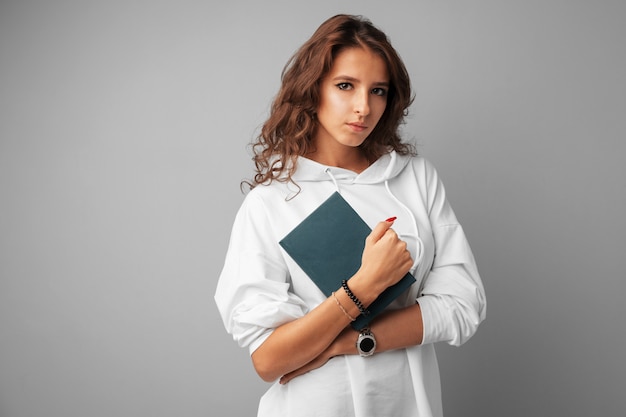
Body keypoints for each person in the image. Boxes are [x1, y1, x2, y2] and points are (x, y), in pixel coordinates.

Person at [215, 14, 486, 417]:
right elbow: (269, 360)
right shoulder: (271, 202)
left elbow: (462, 306)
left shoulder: (415, 179)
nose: (364, 107)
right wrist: (364, 285)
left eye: (378, 91)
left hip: (410, 406)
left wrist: (348, 342)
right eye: (345, 86)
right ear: (313, 89)